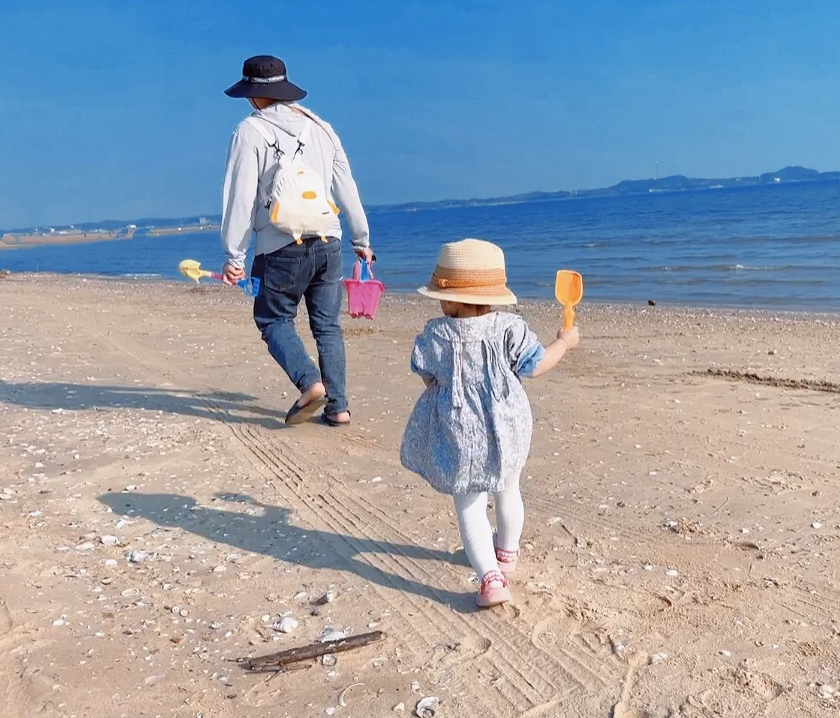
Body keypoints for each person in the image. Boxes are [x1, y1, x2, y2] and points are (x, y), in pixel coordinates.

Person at [400, 239, 579, 607]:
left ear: (447, 298)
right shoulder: (510, 328)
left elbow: (426, 374)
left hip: (462, 433)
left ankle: (490, 579)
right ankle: (507, 553)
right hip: (510, 425)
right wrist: (563, 343)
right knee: (509, 489)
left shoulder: (438, 334)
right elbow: (536, 365)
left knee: (470, 503)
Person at [220, 55, 372, 427]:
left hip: (281, 246)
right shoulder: (321, 127)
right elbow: (345, 185)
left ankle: (310, 383)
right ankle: (339, 408)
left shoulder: (250, 131)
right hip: (328, 241)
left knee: (272, 319)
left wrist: (234, 256)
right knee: (327, 326)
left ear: (254, 95)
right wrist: (361, 238)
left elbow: (240, 197)